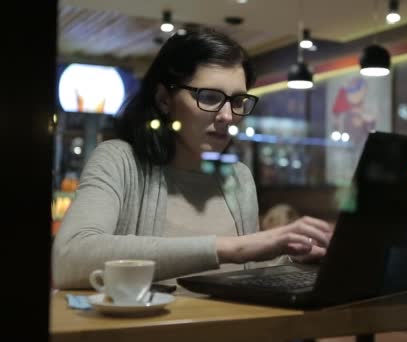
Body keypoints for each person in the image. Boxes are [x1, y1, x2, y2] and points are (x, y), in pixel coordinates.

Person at [52, 28, 332, 289]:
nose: (227, 116)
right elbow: (68, 259)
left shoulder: (238, 176)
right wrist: (230, 248)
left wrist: (295, 260)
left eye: (237, 101)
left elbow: (245, 269)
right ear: (164, 99)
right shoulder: (120, 161)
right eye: (209, 97)